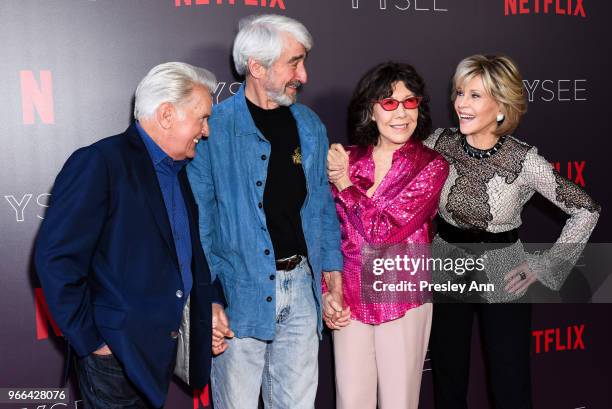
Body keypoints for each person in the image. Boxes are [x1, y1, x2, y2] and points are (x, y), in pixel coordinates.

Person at [35, 62, 229, 408]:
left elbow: (187, 254)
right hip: (114, 355)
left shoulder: (178, 171)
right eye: (201, 118)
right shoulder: (100, 163)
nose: (207, 130)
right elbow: (56, 260)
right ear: (167, 114)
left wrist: (209, 301)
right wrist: (94, 342)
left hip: (156, 352)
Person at [424, 54, 601, 409]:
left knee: (510, 380)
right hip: (447, 263)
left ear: (501, 106)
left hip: (503, 268)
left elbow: (586, 209)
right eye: (460, 93)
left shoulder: (524, 160)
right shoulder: (438, 143)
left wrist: (545, 264)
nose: (461, 104)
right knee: (447, 374)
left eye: (475, 95)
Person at [187, 14, 345, 409]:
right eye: (294, 62)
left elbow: (321, 205)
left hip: (302, 289)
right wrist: (210, 298)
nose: (304, 75)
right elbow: (200, 222)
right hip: (239, 293)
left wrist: (332, 273)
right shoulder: (213, 128)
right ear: (256, 66)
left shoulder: (309, 124)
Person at [326, 62, 449, 409]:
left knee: (399, 402)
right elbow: (324, 233)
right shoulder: (344, 159)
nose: (401, 113)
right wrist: (327, 291)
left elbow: (385, 231)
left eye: (410, 102)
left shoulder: (431, 164)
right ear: (371, 110)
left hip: (403, 297)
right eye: (389, 102)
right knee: (351, 401)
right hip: (349, 298)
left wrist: (344, 185)